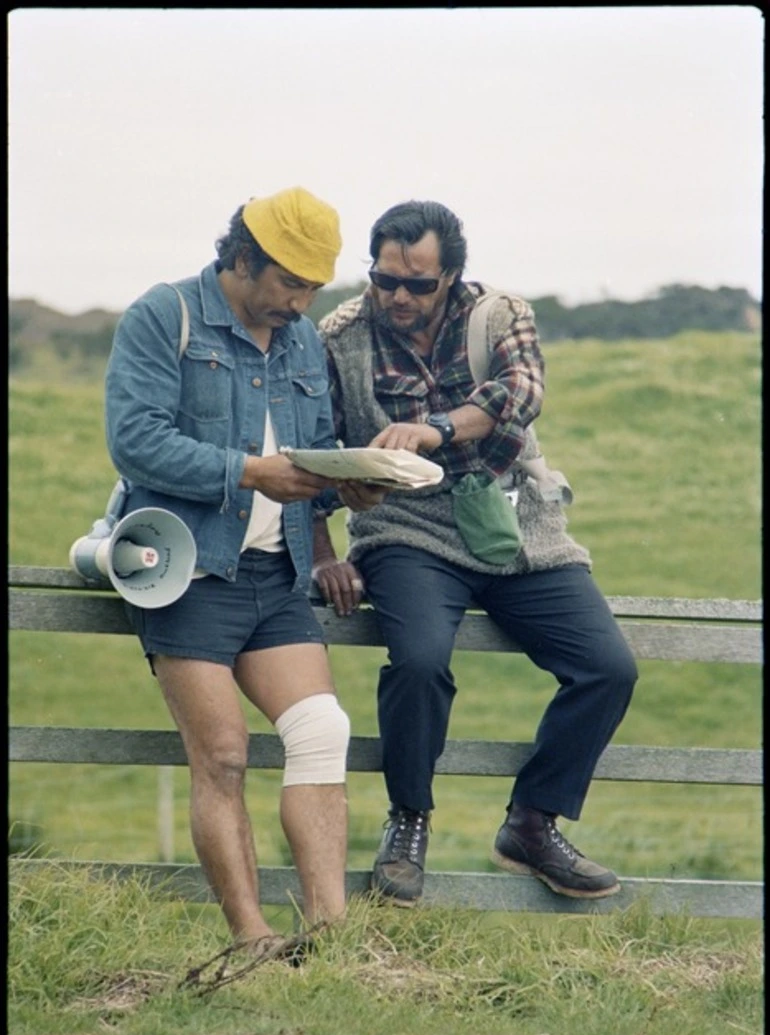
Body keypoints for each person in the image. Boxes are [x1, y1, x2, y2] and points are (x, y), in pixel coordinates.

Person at [312, 199, 639, 907]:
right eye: (385, 279)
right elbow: (318, 447)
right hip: (405, 530)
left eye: (417, 283)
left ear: (451, 275)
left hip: (518, 525)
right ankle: (408, 822)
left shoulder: (500, 314)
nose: (398, 296)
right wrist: (329, 536)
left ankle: (532, 822)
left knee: (608, 668)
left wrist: (433, 429)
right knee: (422, 659)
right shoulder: (338, 335)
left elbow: (522, 393)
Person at [103, 187, 383, 955]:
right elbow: (135, 443)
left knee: (322, 728)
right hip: (187, 569)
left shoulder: (299, 342)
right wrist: (251, 473)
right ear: (243, 258)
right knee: (222, 755)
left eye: (313, 288)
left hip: (275, 571)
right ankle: (251, 941)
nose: (300, 301)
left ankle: (332, 936)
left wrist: (347, 481)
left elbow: (313, 447)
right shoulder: (165, 317)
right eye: (289, 282)